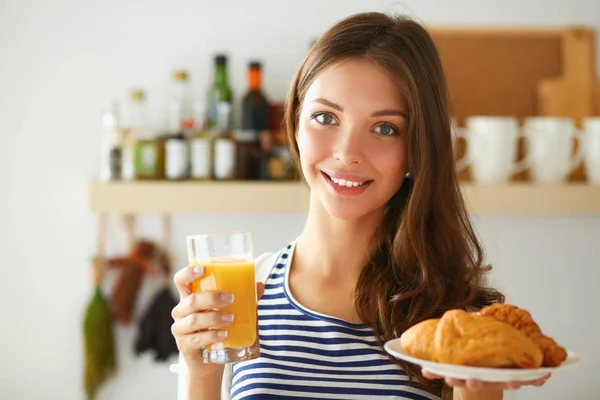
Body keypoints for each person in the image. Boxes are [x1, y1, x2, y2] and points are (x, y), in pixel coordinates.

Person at [171, 12, 551, 400]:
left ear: (417, 149)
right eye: (325, 117)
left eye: (384, 128)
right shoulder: (241, 302)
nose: (347, 153)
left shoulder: (453, 320)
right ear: (295, 123)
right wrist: (199, 374)